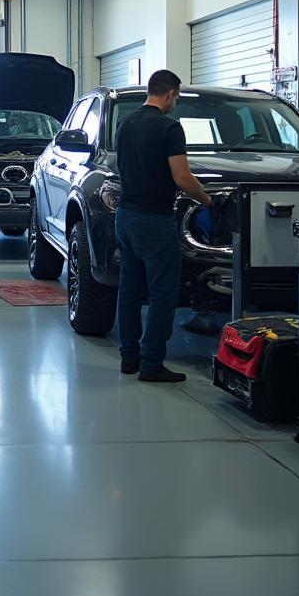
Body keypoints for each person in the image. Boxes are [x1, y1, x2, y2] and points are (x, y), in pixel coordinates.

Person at [115, 69, 212, 383]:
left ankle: (129, 358)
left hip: (125, 216)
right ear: (170, 93)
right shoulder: (170, 128)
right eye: (177, 97)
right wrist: (209, 201)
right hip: (154, 221)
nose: (177, 102)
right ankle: (152, 363)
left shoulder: (125, 123)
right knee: (162, 294)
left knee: (129, 290)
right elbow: (182, 178)